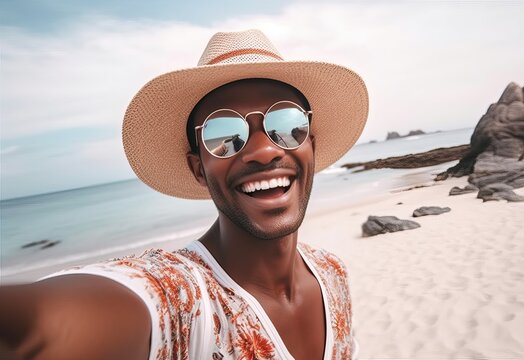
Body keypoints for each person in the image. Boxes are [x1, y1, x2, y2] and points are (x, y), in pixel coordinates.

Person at [0, 29, 369, 360]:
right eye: (223, 135)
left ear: (312, 146)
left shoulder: (332, 273)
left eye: (286, 124)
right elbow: (43, 330)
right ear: (198, 169)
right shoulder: (181, 296)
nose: (263, 150)